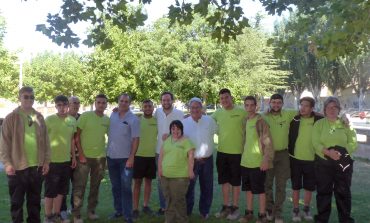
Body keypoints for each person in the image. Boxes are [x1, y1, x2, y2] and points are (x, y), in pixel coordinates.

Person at [0, 86, 50, 223]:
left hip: (37, 167)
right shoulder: (11, 118)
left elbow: (46, 141)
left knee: (34, 203)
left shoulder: (38, 117)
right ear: (20, 98)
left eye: (32, 97)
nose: (29, 99)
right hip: (17, 167)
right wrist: (8, 163)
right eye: (26, 96)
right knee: (17, 203)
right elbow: (4, 144)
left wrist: (46, 161)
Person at [312, 96, 357, 223]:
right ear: (325, 109)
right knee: (323, 192)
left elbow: (353, 141)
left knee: (343, 193)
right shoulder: (319, 124)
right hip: (323, 163)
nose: (332, 110)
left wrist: (342, 153)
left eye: (335, 107)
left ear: (339, 109)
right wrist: (328, 152)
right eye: (329, 107)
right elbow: (315, 142)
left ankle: (345, 219)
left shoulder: (345, 124)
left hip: (343, 164)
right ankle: (322, 219)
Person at [72, 94, 110, 223]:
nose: (101, 105)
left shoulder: (107, 119)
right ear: (95, 103)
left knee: (95, 186)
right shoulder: (86, 116)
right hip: (84, 157)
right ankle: (76, 214)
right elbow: (76, 136)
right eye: (98, 102)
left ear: (106, 105)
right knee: (80, 186)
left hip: (100, 158)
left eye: (103, 103)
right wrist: (81, 154)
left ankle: (91, 211)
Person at [212, 88, 248, 220]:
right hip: (221, 153)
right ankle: (226, 207)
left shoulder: (242, 112)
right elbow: (204, 120)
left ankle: (235, 208)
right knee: (224, 181)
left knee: (235, 182)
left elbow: (254, 117)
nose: (224, 100)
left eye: (226, 97)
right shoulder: (217, 113)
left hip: (237, 153)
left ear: (231, 97)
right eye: (222, 98)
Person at [262, 93, 297, 223]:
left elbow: (306, 111)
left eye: (278, 102)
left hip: (283, 154)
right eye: (273, 102)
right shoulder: (263, 115)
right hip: (268, 154)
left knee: (281, 185)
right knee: (267, 184)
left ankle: (278, 213)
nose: (276, 105)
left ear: (282, 104)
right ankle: (269, 210)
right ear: (269, 103)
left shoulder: (288, 114)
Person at [239, 96, 274, 223]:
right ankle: (248, 213)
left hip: (258, 163)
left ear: (256, 106)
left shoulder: (261, 121)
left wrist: (265, 159)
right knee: (248, 189)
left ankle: (262, 215)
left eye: (251, 105)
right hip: (245, 161)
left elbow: (268, 143)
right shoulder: (245, 121)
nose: (249, 108)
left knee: (260, 190)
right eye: (246, 105)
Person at [288, 97, 323, 222]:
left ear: (312, 108)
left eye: (306, 106)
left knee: (309, 187)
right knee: (296, 186)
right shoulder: (294, 119)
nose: (302, 108)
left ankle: (306, 208)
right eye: (301, 105)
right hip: (295, 159)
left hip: (312, 160)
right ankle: (296, 210)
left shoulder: (319, 120)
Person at [107, 93, 140, 223]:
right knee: (115, 186)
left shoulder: (133, 119)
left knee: (126, 187)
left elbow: (136, 139)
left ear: (129, 103)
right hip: (111, 157)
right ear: (118, 101)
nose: (123, 103)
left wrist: (131, 157)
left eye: (126, 101)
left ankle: (128, 215)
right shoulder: (113, 115)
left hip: (126, 159)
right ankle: (118, 211)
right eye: (121, 101)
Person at [44, 95, 77, 223]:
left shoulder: (72, 121)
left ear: (68, 105)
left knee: (61, 191)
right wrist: (44, 160)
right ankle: (48, 217)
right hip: (51, 162)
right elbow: (43, 140)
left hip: (66, 161)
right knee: (50, 191)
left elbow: (72, 140)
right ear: (56, 106)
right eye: (59, 105)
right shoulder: (49, 120)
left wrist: (73, 157)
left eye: (64, 105)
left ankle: (57, 215)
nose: (62, 108)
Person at [183, 97, 217, 219]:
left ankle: (204, 211)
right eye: (192, 107)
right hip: (190, 161)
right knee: (188, 187)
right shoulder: (184, 122)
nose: (195, 109)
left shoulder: (210, 121)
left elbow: (216, 132)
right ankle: (187, 210)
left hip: (207, 160)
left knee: (207, 186)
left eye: (197, 107)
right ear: (189, 109)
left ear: (202, 108)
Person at [158, 120, 195, 223]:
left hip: (180, 177)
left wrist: (190, 171)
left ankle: (182, 220)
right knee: (168, 200)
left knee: (178, 201)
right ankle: (169, 220)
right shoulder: (167, 140)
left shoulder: (186, 141)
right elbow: (161, 156)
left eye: (178, 128)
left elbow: (191, 156)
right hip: (165, 176)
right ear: (170, 130)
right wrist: (160, 170)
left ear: (181, 130)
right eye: (173, 128)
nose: (175, 131)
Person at [154, 91, 184, 215]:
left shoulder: (179, 113)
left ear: (172, 100)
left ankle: (175, 206)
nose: (166, 102)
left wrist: (171, 135)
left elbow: (183, 132)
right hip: (159, 152)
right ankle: (164, 206)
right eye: (163, 100)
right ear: (161, 101)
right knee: (161, 180)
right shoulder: (157, 112)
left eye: (168, 100)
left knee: (175, 180)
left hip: (175, 152)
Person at [132, 99, 157, 218]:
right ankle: (135, 208)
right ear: (142, 108)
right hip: (138, 156)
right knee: (137, 183)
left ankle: (145, 206)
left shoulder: (156, 121)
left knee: (148, 182)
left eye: (149, 106)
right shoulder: (137, 121)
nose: (147, 108)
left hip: (151, 157)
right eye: (145, 106)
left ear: (153, 108)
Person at [60, 96, 81, 220]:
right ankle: (62, 210)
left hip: (78, 157)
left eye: (78, 103)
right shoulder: (63, 118)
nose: (76, 105)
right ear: (68, 104)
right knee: (63, 185)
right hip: (64, 158)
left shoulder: (82, 117)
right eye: (74, 102)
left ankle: (74, 208)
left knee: (77, 185)